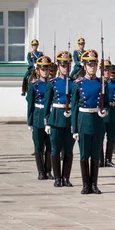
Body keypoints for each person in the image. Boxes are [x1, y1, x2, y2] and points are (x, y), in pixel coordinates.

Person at [71, 49, 109, 194]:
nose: (92, 67)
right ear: (84, 66)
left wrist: (105, 110)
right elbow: (74, 107)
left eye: (94, 64)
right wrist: (74, 128)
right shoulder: (78, 84)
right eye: (89, 64)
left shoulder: (102, 83)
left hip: (97, 121)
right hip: (84, 121)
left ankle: (94, 184)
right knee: (84, 154)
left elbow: (105, 102)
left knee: (95, 154)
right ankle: (85, 184)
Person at [44, 51, 75, 187]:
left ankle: (66, 177)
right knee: (55, 149)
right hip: (56, 118)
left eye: (67, 65)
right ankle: (57, 177)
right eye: (63, 65)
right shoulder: (53, 83)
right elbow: (47, 103)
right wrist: (47, 120)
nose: (65, 68)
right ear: (58, 66)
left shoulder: (74, 83)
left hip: (69, 119)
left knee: (69, 150)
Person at [26, 56, 53, 180]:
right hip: (38, 115)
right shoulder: (34, 85)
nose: (45, 71)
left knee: (50, 145)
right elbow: (30, 104)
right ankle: (40, 171)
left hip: (50, 116)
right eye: (43, 69)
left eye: (47, 69)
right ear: (38, 70)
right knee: (38, 145)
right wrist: (30, 121)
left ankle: (48, 170)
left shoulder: (53, 84)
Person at [101, 64, 115, 167]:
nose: (107, 73)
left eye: (108, 71)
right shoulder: (99, 83)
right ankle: (100, 159)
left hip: (112, 111)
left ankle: (108, 159)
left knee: (111, 138)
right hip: (101, 113)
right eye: (105, 71)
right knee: (99, 138)